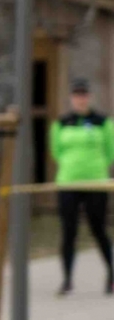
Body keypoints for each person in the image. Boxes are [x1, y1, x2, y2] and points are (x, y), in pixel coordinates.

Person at [48, 77, 114, 296]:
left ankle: (111, 275)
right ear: (71, 98)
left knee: (98, 228)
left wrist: (98, 169)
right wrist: (72, 168)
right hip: (68, 182)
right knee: (69, 231)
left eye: (84, 95)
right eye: (77, 95)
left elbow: (110, 151)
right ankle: (67, 280)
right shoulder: (61, 123)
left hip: (96, 182)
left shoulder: (103, 122)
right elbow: (56, 151)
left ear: (90, 97)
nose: (81, 99)